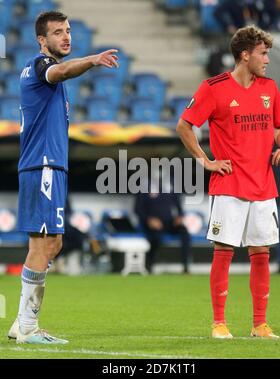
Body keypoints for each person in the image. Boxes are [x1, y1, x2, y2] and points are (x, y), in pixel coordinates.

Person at [7, 11, 118, 344]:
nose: (66, 37)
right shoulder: (41, 67)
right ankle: (27, 326)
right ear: (42, 40)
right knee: (47, 244)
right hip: (43, 166)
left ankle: (21, 324)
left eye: (68, 31)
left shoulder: (41, 74)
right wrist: (93, 60)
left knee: (47, 243)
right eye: (58, 33)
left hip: (47, 167)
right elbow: (60, 71)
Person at [176, 25, 280, 339]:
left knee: (262, 254)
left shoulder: (270, 88)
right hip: (228, 184)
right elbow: (185, 126)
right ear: (245, 54)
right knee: (223, 251)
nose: (267, 59)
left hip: (264, 185)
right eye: (263, 53)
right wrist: (206, 161)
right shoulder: (213, 88)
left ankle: (260, 324)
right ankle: (219, 323)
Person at [135, 175, 191, 274]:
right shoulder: (144, 186)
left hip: (169, 222)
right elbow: (138, 209)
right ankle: (149, 266)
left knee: (184, 231)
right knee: (155, 237)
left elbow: (179, 206)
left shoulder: (170, 185)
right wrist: (149, 220)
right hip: (153, 224)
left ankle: (185, 267)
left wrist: (179, 216)